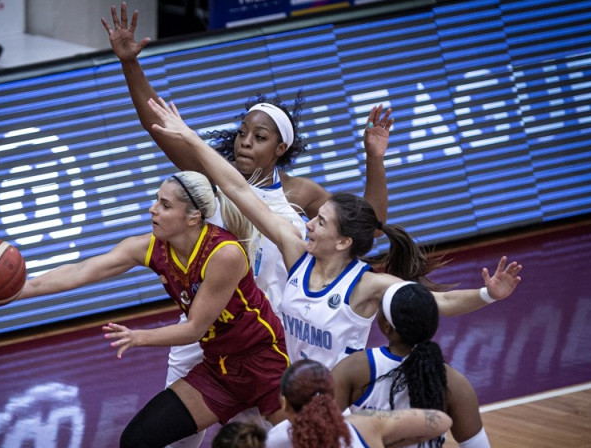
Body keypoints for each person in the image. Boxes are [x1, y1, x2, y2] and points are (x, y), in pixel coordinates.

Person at [102, 5, 393, 446]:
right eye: (242, 133)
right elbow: (157, 125)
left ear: (281, 148)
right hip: (203, 333)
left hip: (268, 343)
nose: (244, 142)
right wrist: (130, 62)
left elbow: (367, 227)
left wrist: (374, 159)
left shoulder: (302, 195)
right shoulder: (212, 179)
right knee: (166, 440)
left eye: (259, 137)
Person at [146, 96, 524, 370]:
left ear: (343, 241)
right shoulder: (296, 254)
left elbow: (438, 303)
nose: (308, 223)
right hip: (272, 363)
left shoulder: (365, 284)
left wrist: (487, 294)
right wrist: (191, 137)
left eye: (319, 221)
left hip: (333, 397)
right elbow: (240, 190)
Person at [0, 170, 289, 448]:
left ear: (193, 217)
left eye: (164, 204)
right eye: (155, 200)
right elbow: (81, 271)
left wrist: (138, 338)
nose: (152, 209)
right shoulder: (150, 247)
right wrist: (13, 292)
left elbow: (194, 329)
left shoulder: (224, 254)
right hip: (220, 369)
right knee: (136, 440)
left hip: (264, 363)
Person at [332, 281, 491, 448]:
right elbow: (477, 445)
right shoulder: (454, 382)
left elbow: (316, 426)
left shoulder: (354, 368)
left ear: (387, 326)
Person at [277, 359, 452, 448]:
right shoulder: (364, 424)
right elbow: (441, 421)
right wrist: (385, 437)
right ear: (331, 395)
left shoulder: (273, 440)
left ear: (284, 403)